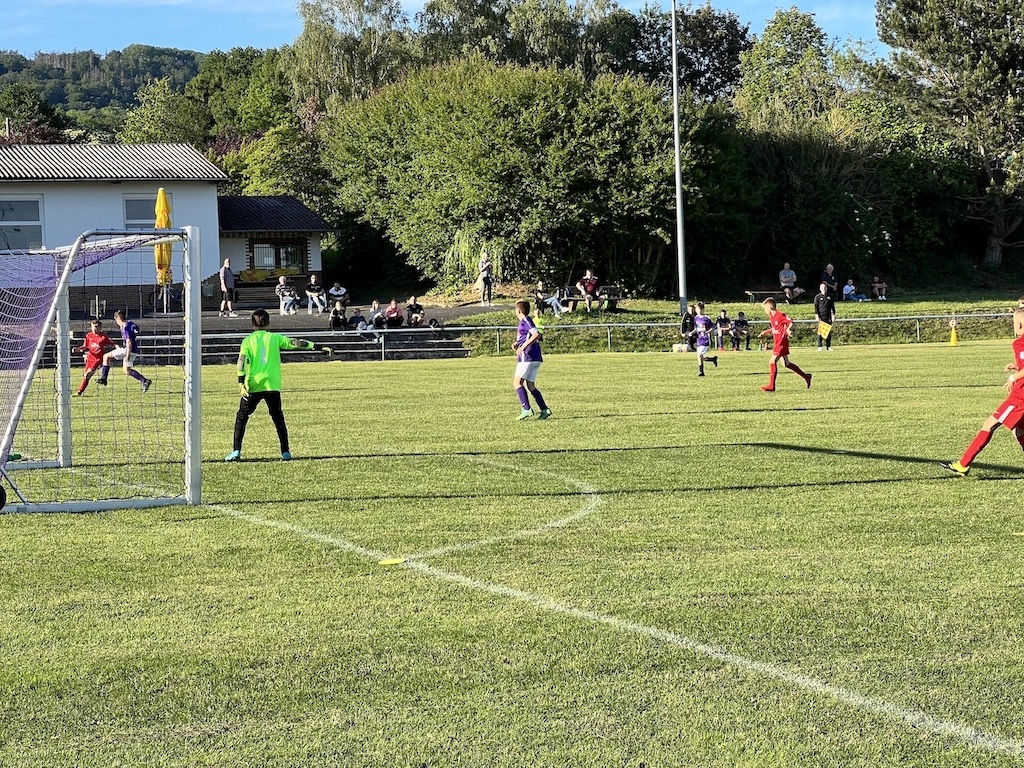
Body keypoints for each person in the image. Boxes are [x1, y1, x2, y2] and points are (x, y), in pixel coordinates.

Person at [225, 309, 333, 462]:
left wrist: (241, 383)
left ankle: (236, 451)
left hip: (254, 384)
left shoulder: (247, 341)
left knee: (242, 416)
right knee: (278, 417)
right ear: (268, 323)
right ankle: (285, 452)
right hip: (272, 384)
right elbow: (294, 343)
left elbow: (241, 361)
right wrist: (317, 346)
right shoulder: (274, 338)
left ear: (252, 324)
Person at [942, 306, 1024, 476]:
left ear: (1020, 325)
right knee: (1019, 431)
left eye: (1014, 323)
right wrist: (1017, 367)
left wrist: (1013, 377)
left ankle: (963, 464)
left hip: (1020, 397)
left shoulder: (1019, 343)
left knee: (989, 424)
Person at [757, 298, 812, 392]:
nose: (765, 310)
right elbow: (775, 328)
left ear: (770, 307)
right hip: (778, 342)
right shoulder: (772, 316)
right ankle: (806, 376)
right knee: (786, 363)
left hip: (781, 342)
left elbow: (790, 321)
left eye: (765, 308)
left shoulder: (780, 315)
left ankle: (771, 386)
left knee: (772, 361)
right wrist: (765, 332)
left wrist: (788, 329)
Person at [512, 300, 551, 420]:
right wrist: (517, 343)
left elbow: (536, 334)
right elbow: (527, 336)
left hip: (528, 357)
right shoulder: (525, 321)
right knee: (531, 386)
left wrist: (523, 347)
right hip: (535, 357)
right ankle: (544, 409)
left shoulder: (525, 321)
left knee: (517, 383)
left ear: (518, 310)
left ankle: (526, 409)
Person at [97, 310, 152, 393]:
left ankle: (103, 378)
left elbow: (129, 342)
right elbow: (137, 328)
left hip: (128, 350)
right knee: (126, 370)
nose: (116, 323)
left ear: (118, 319)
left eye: (116, 320)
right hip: (134, 350)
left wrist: (127, 355)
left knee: (106, 356)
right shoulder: (129, 323)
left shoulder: (125, 327)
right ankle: (144, 380)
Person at [72, 319, 115, 395]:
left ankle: (79, 392)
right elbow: (85, 346)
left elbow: (112, 344)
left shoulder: (103, 337)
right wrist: (78, 349)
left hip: (98, 359)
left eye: (96, 327)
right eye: (93, 327)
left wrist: (117, 347)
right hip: (90, 358)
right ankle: (80, 392)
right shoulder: (89, 335)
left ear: (100, 328)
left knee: (87, 375)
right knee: (86, 376)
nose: (94, 329)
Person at [693, 302, 719, 377]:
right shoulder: (696, 318)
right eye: (697, 309)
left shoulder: (706, 318)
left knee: (700, 355)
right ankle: (712, 359)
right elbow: (696, 328)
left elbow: (713, 327)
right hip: (699, 339)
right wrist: (691, 332)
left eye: (699, 309)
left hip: (706, 339)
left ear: (703, 309)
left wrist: (708, 331)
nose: (698, 311)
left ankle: (701, 372)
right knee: (699, 356)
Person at [813, 282, 837, 351]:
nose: (824, 289)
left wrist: (833, 315)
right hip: (821, 317)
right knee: (820, 332)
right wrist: (817, 316)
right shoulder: (817, 297)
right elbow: (816, 307)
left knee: (828, 332)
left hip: (828, 317)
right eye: (822, 288)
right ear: (820, 289)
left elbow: (832, 307)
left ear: (826, 288)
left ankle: (828, 346)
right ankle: (820, 346)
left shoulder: (830, 296)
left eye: (825, 288)